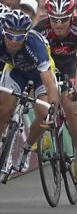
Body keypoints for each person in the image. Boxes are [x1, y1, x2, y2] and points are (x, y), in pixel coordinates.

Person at [33, 0, 77, 184]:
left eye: (64, 19)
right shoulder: (39, 30)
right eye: (54, 19)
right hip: (47, 66)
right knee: (41, 99)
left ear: (72, 16)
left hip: (70, 66)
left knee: (71, 105)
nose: (59, 24)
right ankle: (44, 129)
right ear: (48, 16)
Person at [0, 10, 60, 172]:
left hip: (39, 74)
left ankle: (26, 149)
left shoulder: (35, 45)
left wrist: (52, 109)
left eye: (19, 37)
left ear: (26, 35)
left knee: (43, 113)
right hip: (15, 70)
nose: (13, 41)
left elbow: (48, 81)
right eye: (9, 35)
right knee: (4, 109)